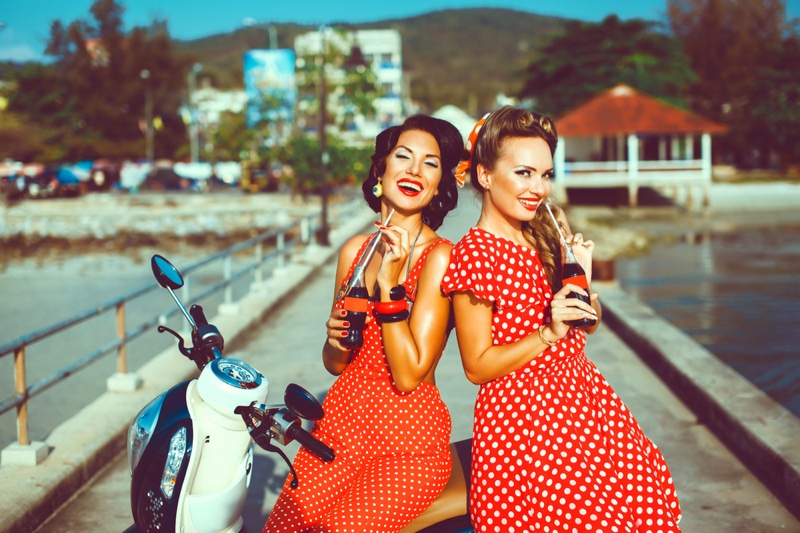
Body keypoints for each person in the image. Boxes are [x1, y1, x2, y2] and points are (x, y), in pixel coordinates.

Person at [441, 106, 682, 532]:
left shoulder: (545, 231)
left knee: (640, 507)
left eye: (545, 174)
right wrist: (547, 332)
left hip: (584, 401)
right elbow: (477, 365)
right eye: (523, 173)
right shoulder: (475, 252)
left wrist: (584, 288)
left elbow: (587, 324)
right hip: (526, 420)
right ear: (484, 175)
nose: (538, 188)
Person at [264, 114, 464, 532]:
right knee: (282, 528)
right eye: (403, 156)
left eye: (430, 163)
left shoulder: (440, 258)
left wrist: (390, 287)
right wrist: (334, 337)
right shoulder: (355, 250)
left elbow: (410, 375)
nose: (413, 169)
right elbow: (336, 363)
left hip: (407, 443)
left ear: (439, 184)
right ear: (381, 169)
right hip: (339, 428)